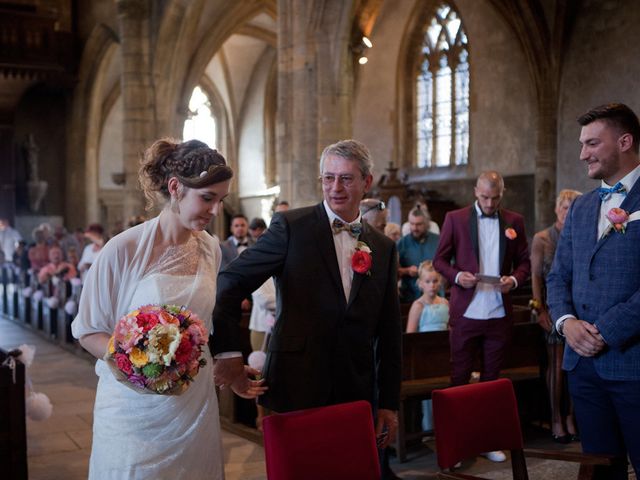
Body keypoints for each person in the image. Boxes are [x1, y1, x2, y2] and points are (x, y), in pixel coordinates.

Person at [71, 138, 264, 479]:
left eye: (221, 200)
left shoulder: (210, 250)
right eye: (207, 198)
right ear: (175, 187)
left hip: (193, 402)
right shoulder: (123, 249)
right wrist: (140, 365)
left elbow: (206, 322)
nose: (215, 210)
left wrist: (229, 366)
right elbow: (87, 330)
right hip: (133, 406)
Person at [211, 139, 402, 477]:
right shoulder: (290, 227)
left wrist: (388, 402)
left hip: (356, 390)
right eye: (328, 178)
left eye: (345, 178)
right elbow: (228, 283)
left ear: (366, 182)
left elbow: (388, 332)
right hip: (297, 386)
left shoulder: (383, 248)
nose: (335, 187)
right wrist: (230, 356)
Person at [547, 103, 640, 479]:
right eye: (582, 144)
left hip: (633, 362)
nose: (582, 153)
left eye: (591, 143)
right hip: (583, 368)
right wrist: (566, 323)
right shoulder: (583, 207)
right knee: (601, 470)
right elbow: (558, 276)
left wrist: (606, 330)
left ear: (624, 141)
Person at [433, 170, 530, 463]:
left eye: (496, 197)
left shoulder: (514, 221)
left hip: (498, 312)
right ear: (476, 191)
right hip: (467, 311)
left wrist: (513, 280)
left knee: (492, 381)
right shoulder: (455, 218)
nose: (490, 204)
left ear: (503, 193)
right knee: (459, 380)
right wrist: (456, 274)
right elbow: (439, 259)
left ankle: (487, 440)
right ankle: (458, 444)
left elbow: (524, 261)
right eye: (485, 197)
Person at [530, 189, 582, 443]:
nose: (568, 212)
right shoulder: (542, 238)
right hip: (552, 309)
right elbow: (536, 277)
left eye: (573, 207)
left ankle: (572, 416)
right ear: (556, 209)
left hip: (578, 309)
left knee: (575, 366)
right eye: (564, 207)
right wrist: (539, 309)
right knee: (557, 366)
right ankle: (556, 418)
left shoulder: (580, 234)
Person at [406, 260, 449, 432]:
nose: (432, 285)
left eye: (435, 281)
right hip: (425, 355)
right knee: (429, 397)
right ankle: (429, 429)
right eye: (428, 281)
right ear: (420, 284)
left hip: (444, 352)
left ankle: (446, 426)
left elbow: (450, 327)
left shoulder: (445, 303)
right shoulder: (418, 306)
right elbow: (411, 335)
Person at [397, 207, 440, 303]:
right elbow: (392, 269)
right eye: (412, 224)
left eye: (419, 224)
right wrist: (407, 271)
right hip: (409, 296)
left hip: (435, 296)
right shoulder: (402, 243)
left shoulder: (438, 240)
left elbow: (449, 264)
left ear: (427, 224)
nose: (414, 228)